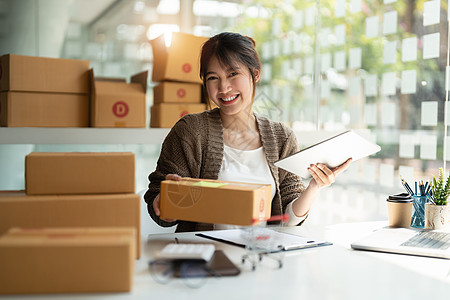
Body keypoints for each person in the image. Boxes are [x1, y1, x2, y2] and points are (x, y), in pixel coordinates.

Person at [144, 32, 352, 232]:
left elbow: (287, 220)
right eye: (212, 78)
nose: (223, 87)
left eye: (233, 74)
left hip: (261, 257)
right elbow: (158, 204)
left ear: (255, 74)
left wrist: (314, 187)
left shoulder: (282, 138)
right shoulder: (190, 131)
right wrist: (166, 205)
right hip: (204, 259)